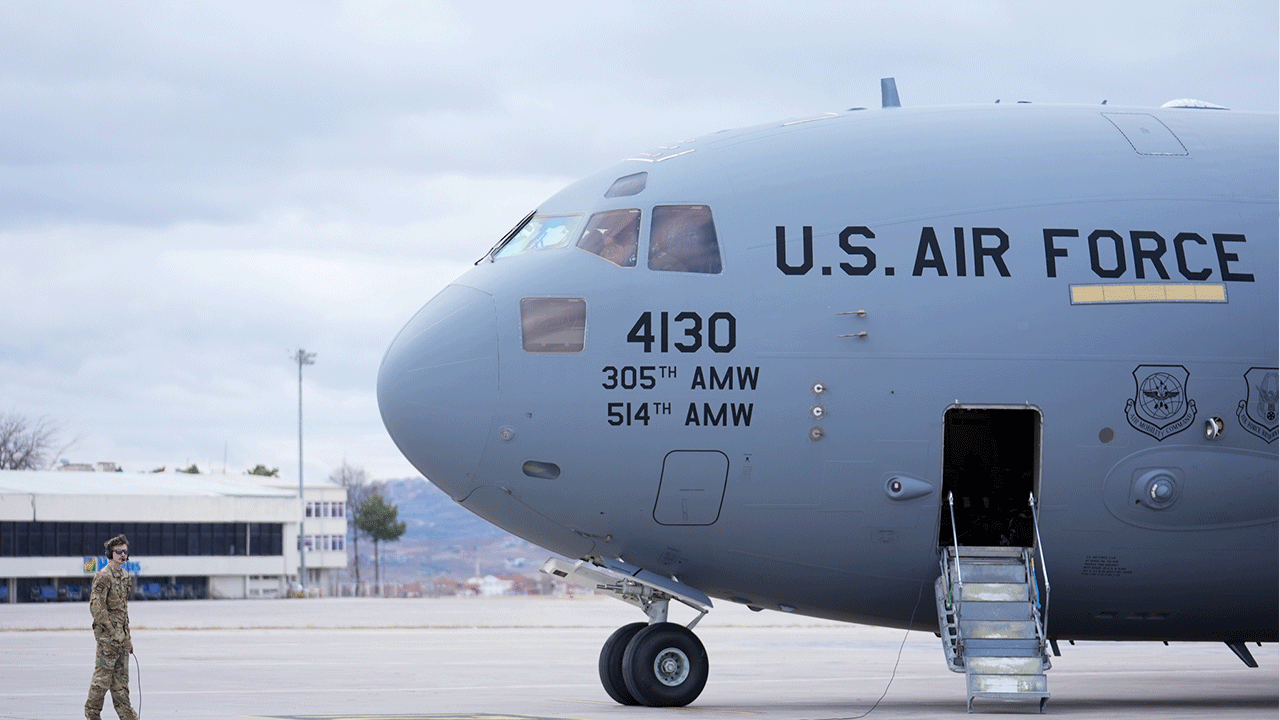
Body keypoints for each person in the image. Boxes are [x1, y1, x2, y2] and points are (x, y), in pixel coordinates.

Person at [85, 534, 137, 720]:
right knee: (102, 681)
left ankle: (128, 716)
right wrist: (112, 632)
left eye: (125, 551)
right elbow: (97, 608)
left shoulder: (124, 576)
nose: (123, 555)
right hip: (108, 639)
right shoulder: (103, 576)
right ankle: (92, 714)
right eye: (118, 552)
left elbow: (123, 611)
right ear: (110, 553)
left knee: (121, 684)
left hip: (122, 639)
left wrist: (127, 637)